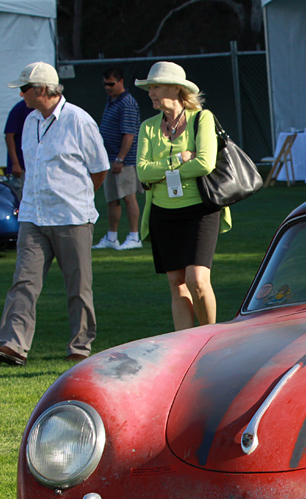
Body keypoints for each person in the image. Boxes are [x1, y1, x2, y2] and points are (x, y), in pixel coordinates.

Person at [0, 62, 110, 366]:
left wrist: (77, 197)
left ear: (42, 89)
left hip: (72, 217)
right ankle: (14, 345)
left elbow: (100, 168)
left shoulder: (79, 121)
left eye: (25, 89)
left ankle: (80, 347)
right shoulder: (30, 121)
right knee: (23, 282)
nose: (22, 95)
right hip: (33, 216)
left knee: (78, 286)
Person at [135, 61, 231, 331]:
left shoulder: (203, 118)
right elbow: (142, 173)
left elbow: (204, 163)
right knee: (176, 283)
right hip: (163, 212)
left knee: (197, 279)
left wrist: (160, 172)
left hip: (200, 209)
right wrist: (177, 160)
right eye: (149, 87)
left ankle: (211, 337)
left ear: (176, 89)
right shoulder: (148, 127)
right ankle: (185, 347)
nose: (151, 92)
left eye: (156, 86)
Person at [94, 67, 143, 250]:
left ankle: (134, 237)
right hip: (109, 160)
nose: (108, 87)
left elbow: (129, 134)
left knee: (129, 197)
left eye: (111, 84)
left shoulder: (127, 103)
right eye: (105, 84)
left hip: (124, 162)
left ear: (121, 81)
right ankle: (112, 237)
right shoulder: (112, 100)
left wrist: (120, 159)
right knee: (112, 199)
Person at [3, 98, 33, 195]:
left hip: (35, 165)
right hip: (22, 166)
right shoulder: (20, 108)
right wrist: (15, 163)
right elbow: (9, 136)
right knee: (19, 194)